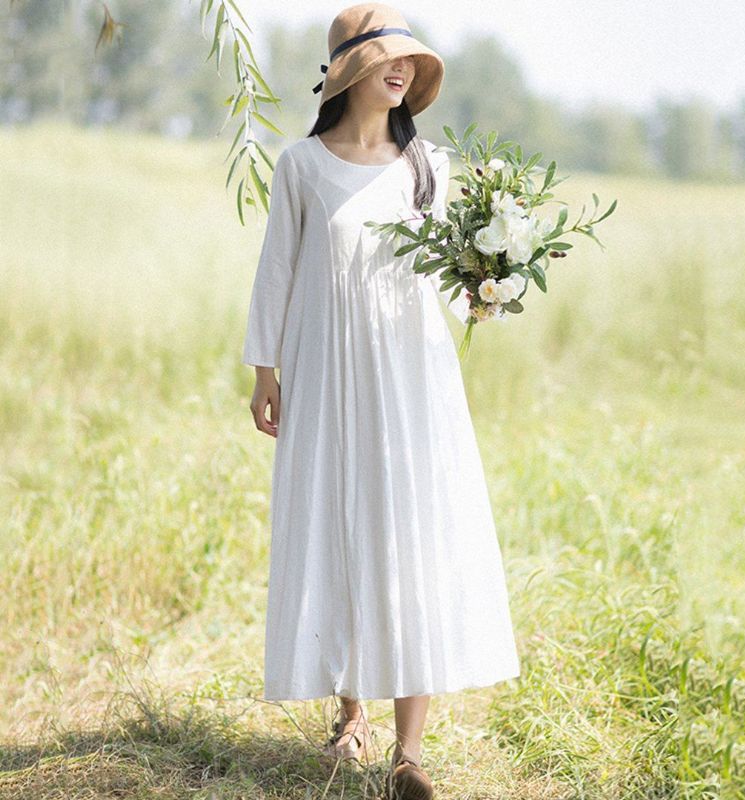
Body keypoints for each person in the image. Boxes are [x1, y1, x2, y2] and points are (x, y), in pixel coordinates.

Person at [241, 3, 520, 797]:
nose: (402, 71)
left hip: (412, 371)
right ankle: (350, 718)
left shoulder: (427, 167)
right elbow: (276, 271)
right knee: (340, 515)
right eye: (387, 60)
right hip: (326, 369)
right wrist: (265, 371)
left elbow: (453, 278)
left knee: (410, 528)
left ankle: (410, 752)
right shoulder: (300, 166)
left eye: (411, 63)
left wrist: (490, 280)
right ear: (348, 72)